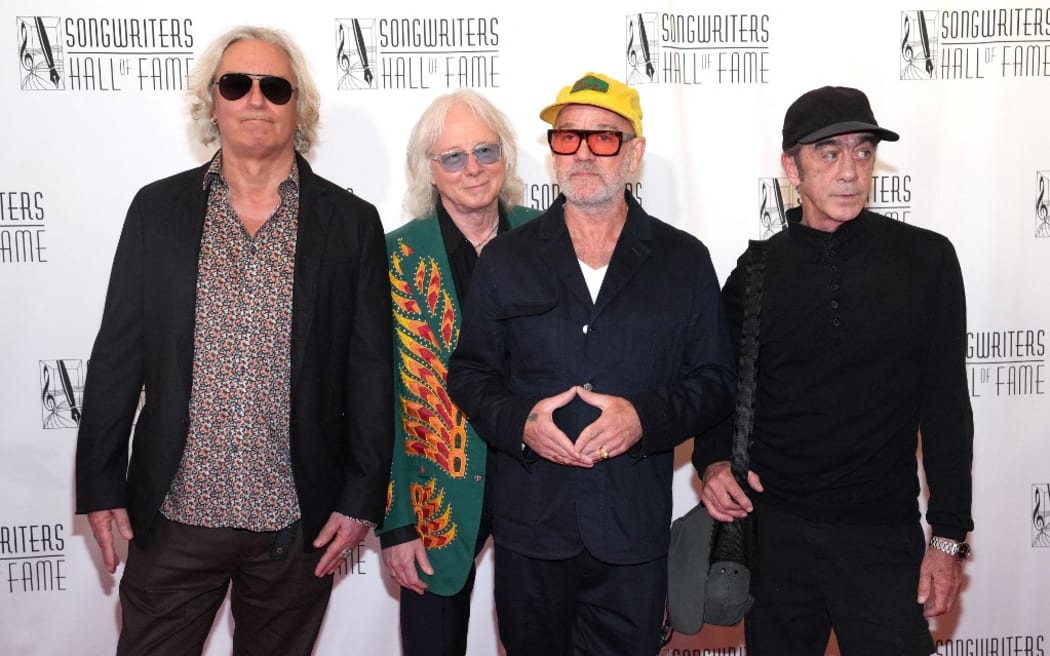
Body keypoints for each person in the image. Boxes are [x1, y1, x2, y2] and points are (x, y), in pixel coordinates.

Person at [74, 26, 392, 655]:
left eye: (275, 87)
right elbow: (117, 356)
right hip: (173, 515)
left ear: (298, 107)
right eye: (236, 84)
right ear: (211, 101)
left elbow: (371, 370)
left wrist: (361, 497)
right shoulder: (157, 210)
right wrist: (101, 481)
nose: (255, 99)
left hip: (296, 525)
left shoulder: (350, 224)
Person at [447, 72, 735, 655]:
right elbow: (470, 374)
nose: (582, 152)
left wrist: (643, 418)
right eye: (567, 137)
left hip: (632, 532)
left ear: (635, 153)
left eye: (603, 138)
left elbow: (715, 382)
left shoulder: (683, 260)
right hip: (532, 529)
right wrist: (521, 421)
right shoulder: (505, 259)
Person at [693, 86, 973, 655]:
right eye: (828, 152)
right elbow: (721, 386)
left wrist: (946, 537)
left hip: (882, 535)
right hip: (776, 537)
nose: (850, 170)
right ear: (790, 167)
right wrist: (713, 459)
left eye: (863, 151)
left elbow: (946, 404)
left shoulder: (927, 260)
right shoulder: (756, 270)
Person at [378, 90, 539, 655]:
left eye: (485, 150)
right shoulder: (392, 259)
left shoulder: (553, 238)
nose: (472, 168)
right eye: (453, 156)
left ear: (506, 156)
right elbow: (383, 403)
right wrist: (397, 522)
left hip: (541, 487)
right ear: (429, 168)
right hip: (433, 498)